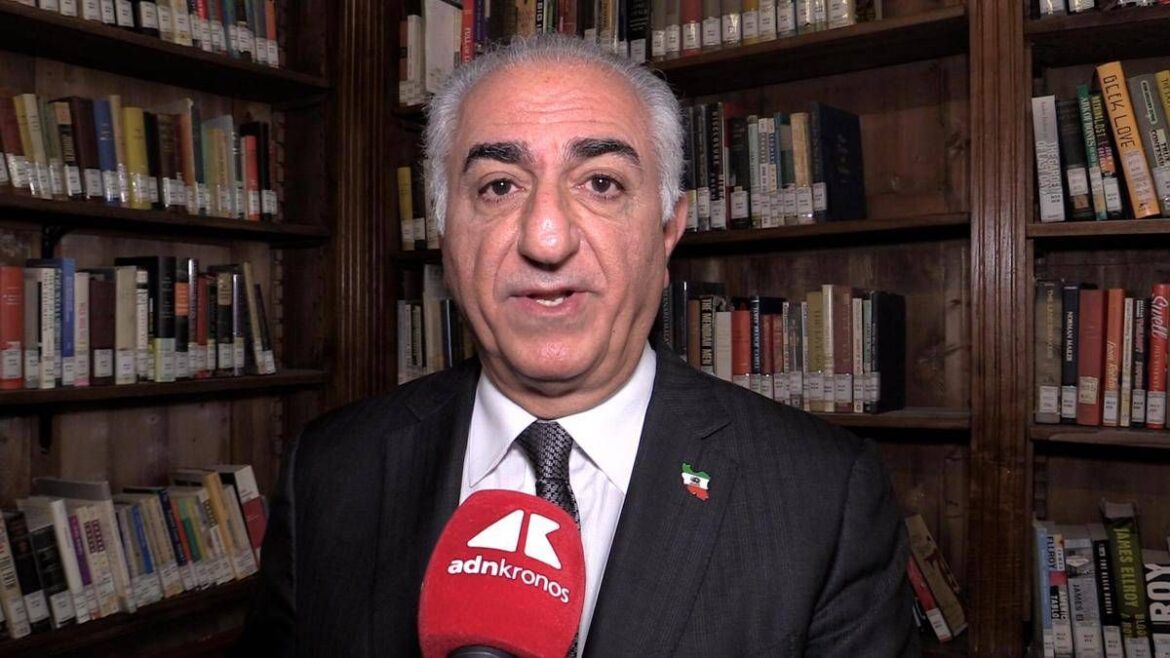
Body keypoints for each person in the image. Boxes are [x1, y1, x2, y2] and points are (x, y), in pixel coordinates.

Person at [236, 35, 917, 657]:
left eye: (601, 183)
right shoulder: (328, 471)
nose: (547, 238)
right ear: (445, 231)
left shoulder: (825, 498)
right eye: (499, 186)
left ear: (668, 231)